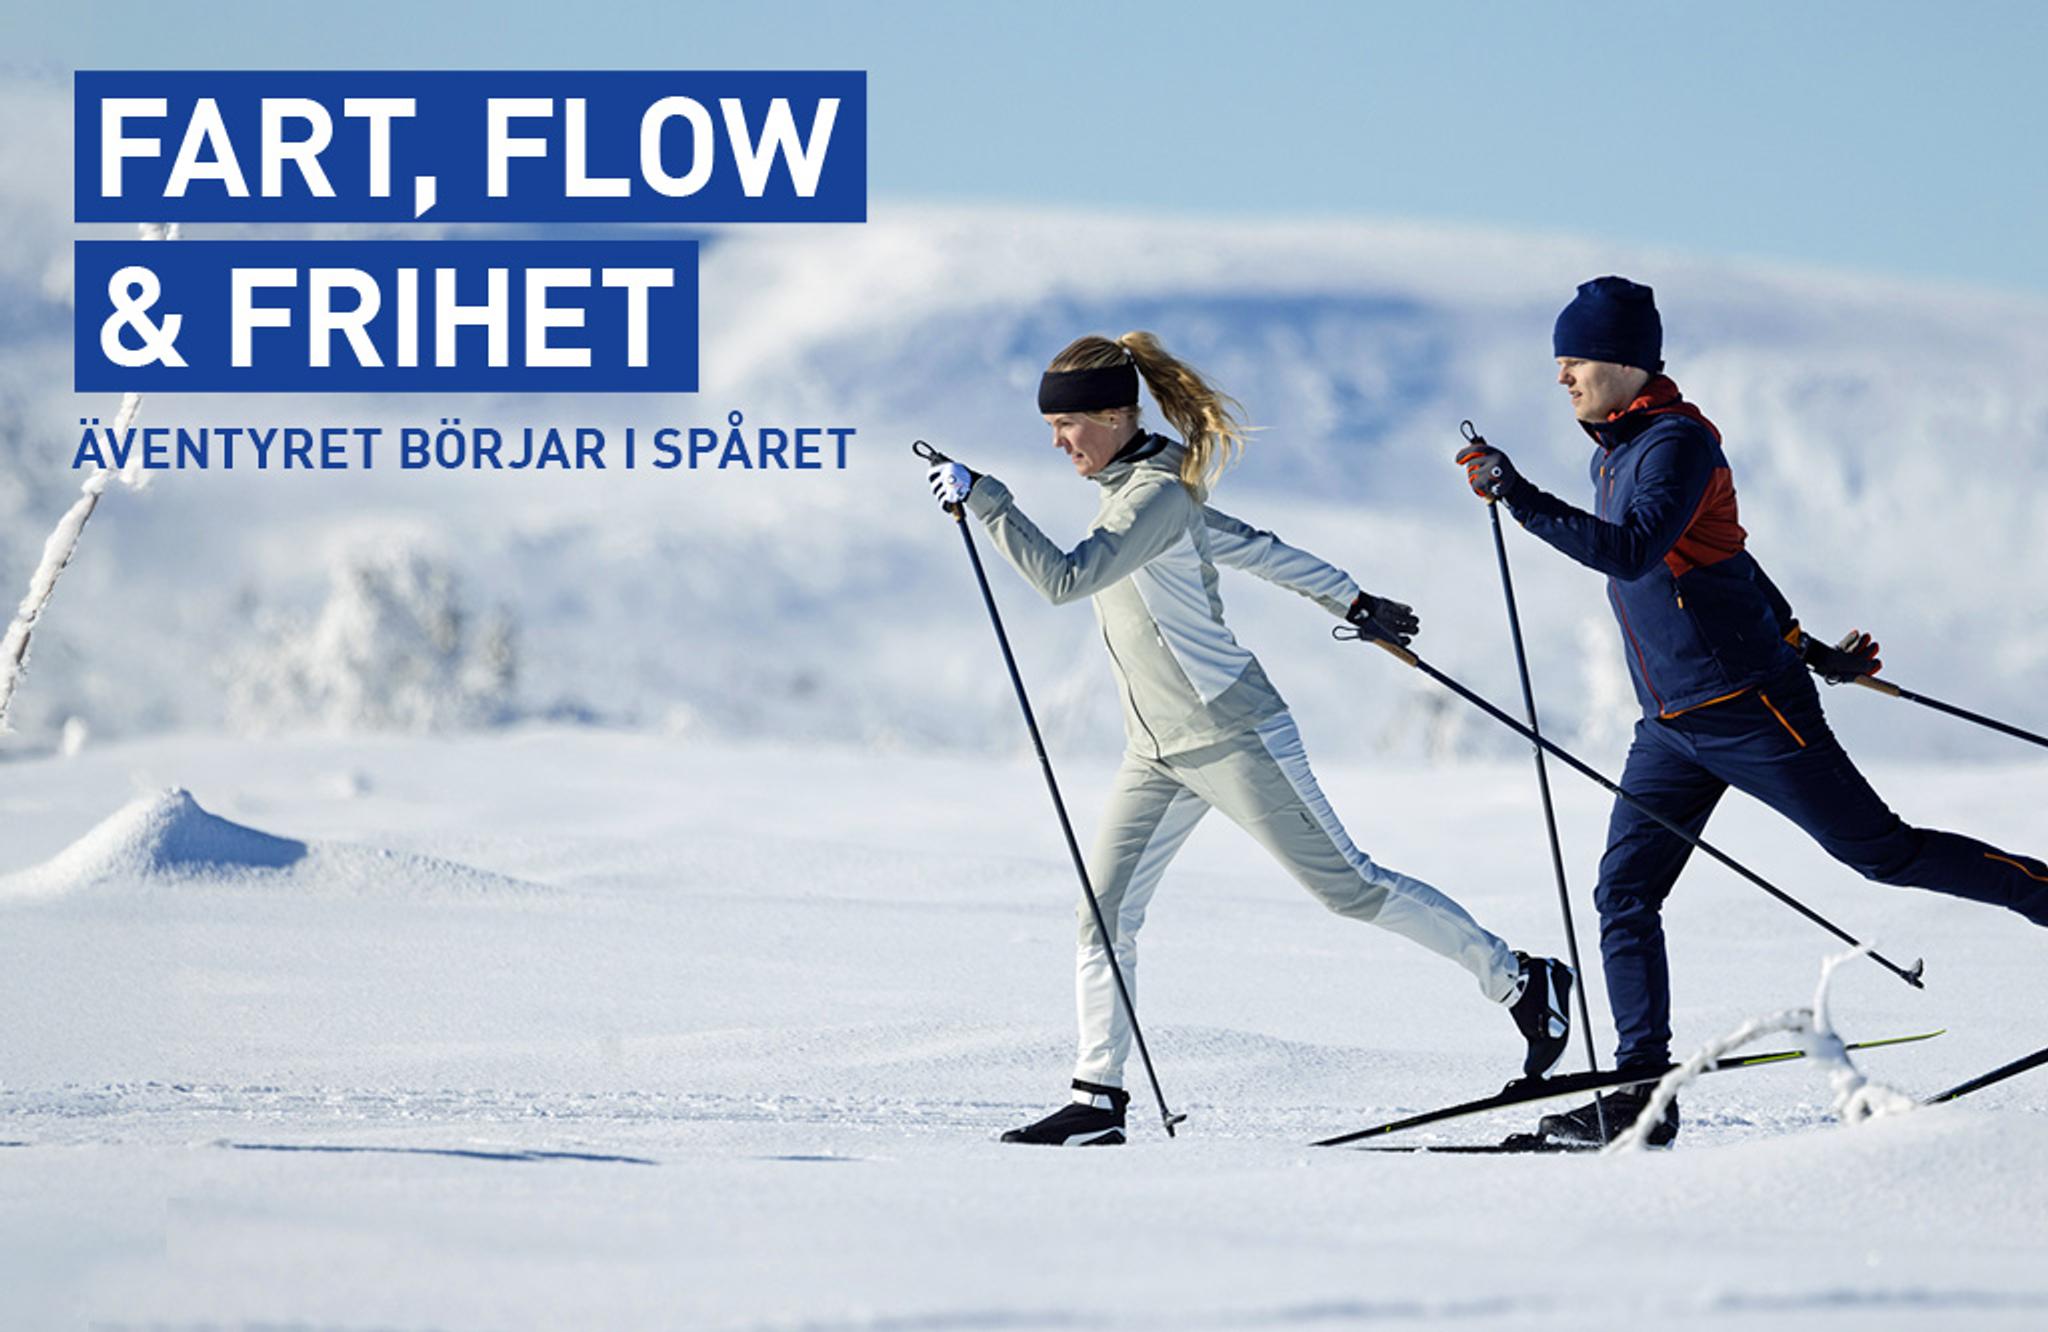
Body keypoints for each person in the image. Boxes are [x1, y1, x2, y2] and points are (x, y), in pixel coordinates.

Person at [928, 330, 1575, 1146]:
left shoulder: (1154, 499)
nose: (1058, 444)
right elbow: (1258, 550)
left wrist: (989, 501)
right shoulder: (1148, 496)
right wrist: (1352, 601)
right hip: (1156, 750)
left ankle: (1521, 980)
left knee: (1349, 887)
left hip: (1236, 733)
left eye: (1068, 428)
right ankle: (1097, 1099)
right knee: (1105, 913)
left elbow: (1066, 581)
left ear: (1116, 415)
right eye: (1051, 432)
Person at [1455, 276, 2048, 1148]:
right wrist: (1808, 638)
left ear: (1624, 362)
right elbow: (1725, 556)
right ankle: (1640, 1095)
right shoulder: (1614, 451)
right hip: (1671, 727)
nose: (1563, 377)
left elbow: (1632, 552)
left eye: (1574, 360)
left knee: (1883, 854)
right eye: (1559, 362)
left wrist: (1521, 495)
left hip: (1749, 709)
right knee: (1624, 892)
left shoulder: (1674, 446)